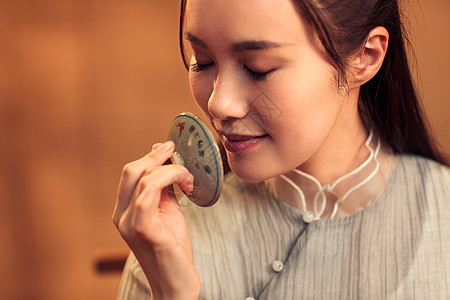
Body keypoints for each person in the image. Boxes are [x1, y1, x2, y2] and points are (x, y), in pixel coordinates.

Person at [113, 0, 450, 299]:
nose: (219, 103)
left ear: (366, 57)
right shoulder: (167, 246)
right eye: (202, 62)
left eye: (258, 68)